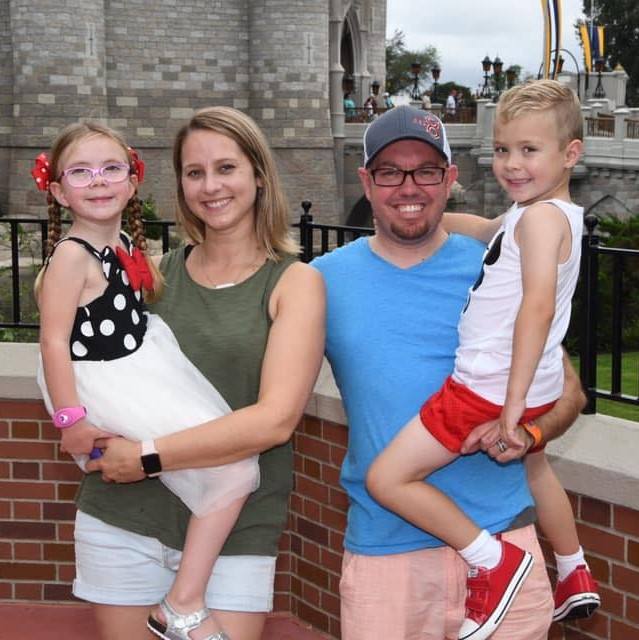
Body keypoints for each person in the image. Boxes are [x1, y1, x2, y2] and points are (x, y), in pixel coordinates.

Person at [312, 103, 586, 640]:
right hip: (387, 556)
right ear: (366, 181)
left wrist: (527, 433)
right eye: (390, 172)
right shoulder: (322, 280)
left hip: (505, 536)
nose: (409, 187)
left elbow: (569, 391)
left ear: (450, 178)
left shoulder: (496, 261)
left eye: (427, 171)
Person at [51, 108, 325, 640]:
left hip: (234, 528)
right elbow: (86, 361)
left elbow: (274, 420)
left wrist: (147, 456)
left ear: (258, 175)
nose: (210, 186)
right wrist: (76, 424)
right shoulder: (153, 275)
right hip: (128, 517)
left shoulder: (295, 283)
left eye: (226, 168)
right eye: (194, 172)